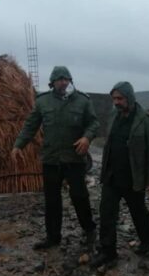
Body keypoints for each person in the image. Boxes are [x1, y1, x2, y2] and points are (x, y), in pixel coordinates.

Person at [12, 66, 99, 250]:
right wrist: (18, 145)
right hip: (51, 159)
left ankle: (90, 231)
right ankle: (52, 237)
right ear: (52, 83)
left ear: (71, 81)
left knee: (79, 196)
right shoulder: (43, 102)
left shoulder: (82, 101)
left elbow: (93, 123)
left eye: (66, 79)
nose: (64, 82)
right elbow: (30, 125)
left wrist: (86, 137)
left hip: (74, 159)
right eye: (60, 79)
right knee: (52, 200)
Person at [91, 81, 149, 267]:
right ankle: (108, 251)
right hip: (112, 175)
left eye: (120, 98)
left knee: (138, 212)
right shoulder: (114, 116)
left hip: (133, 177)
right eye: (114, 99)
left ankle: (148, 240)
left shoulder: (145, 120)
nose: (116, 102)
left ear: (129, 98)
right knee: (107, 213)